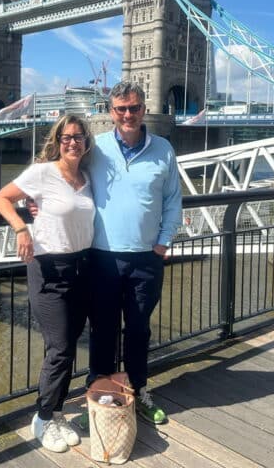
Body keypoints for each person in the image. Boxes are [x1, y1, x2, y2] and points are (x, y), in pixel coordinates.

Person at [0, 114, 94, 453]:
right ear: (57, 140)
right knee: (61, 348)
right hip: (48, 269)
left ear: (86, 141)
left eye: (78, 137)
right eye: (66, 137)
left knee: (67, 346)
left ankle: (57, 412)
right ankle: (43, 417)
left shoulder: (87, 178)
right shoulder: (42, 172)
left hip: (82, 269)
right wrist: (22, 228)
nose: (72, 142)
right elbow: (1, 198)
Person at [83, 81, 182, 426]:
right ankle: (100, 398)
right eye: (121, 109)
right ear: (111, 112)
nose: (128, 114)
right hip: (102, 257)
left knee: (138, 329)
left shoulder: (164, 149)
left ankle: (139, 392)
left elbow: (172, 200)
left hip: (146, 258)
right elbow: (61, 173)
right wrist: (35, 202)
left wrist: (163, 242)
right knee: (103, 331)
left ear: (144, 109)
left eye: (134, 108)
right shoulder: (94, 148)